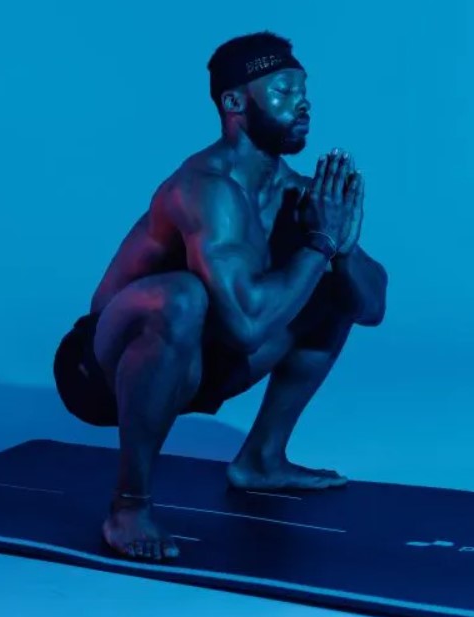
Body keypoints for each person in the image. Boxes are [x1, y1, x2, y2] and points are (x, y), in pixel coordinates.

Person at [53, 31, 388, 561]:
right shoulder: (204, 187)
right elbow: (247, 328)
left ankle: (262, 458)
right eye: (282, 90)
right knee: (184, 295)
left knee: (332, 286)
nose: (303, 103)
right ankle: (128, 507)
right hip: (101, 370)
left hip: (201, 362)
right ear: (235, 103)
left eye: (304, 90)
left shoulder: (298, 193)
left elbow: (372, 308)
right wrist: (319, 244)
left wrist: (340, 248)